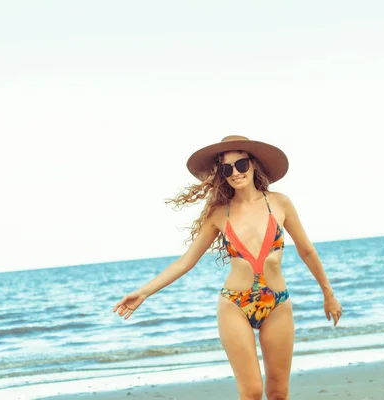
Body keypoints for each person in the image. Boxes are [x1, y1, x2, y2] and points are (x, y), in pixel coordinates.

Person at [113, 135, 343, 400]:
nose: (235, 173)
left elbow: (307, 251)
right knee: (252, 392)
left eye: (241, 164)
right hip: (235, 304)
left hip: (277, 303)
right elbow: (187, 261)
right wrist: (143, 292)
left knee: (279, 393)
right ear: (221, 174)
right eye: (227, 168)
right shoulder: (220, 213)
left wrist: (328, 294)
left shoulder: (279, 203)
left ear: (253, 165)